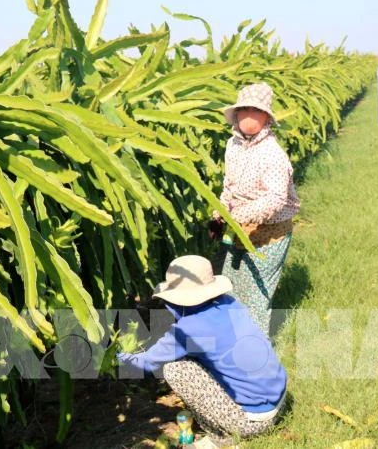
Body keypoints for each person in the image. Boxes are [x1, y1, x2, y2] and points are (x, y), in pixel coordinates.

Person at [116, 255, 287, 447]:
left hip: (254, 421)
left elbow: (146, 363)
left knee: (176, 370)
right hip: (279, 398)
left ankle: (220, 438)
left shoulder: (188, 330)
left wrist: (115, 356)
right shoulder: (229, 303)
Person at [210, 82, 299, 337]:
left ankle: (255, 356)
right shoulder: (233, 146)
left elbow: (275, 200)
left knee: (256, 295)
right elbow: (230, 186)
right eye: (244, 109)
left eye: (256, 110)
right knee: (231, 285)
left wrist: (236, 217)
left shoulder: (272, 155)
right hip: (238, 229)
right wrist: (219, 215)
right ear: (236, 114)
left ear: (266, 117)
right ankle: (233, 342)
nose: (249, 115)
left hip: (269, 232)